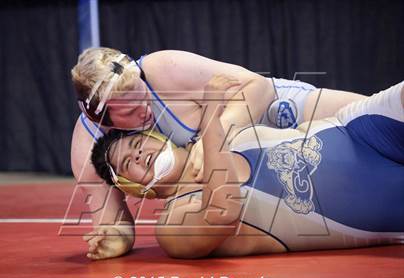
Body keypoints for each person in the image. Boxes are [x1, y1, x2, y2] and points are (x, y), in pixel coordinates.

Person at [70, 47, 367, 259]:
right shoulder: (87, 147)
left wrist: (215, 132)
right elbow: (115, 224)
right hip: (256, 170)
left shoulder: (164, 67)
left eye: (144, 95)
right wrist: (113, 241)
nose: (147, 110)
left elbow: (257, 86)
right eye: (133, 111)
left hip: (273, 112)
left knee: (378, 117)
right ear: (102, 120)